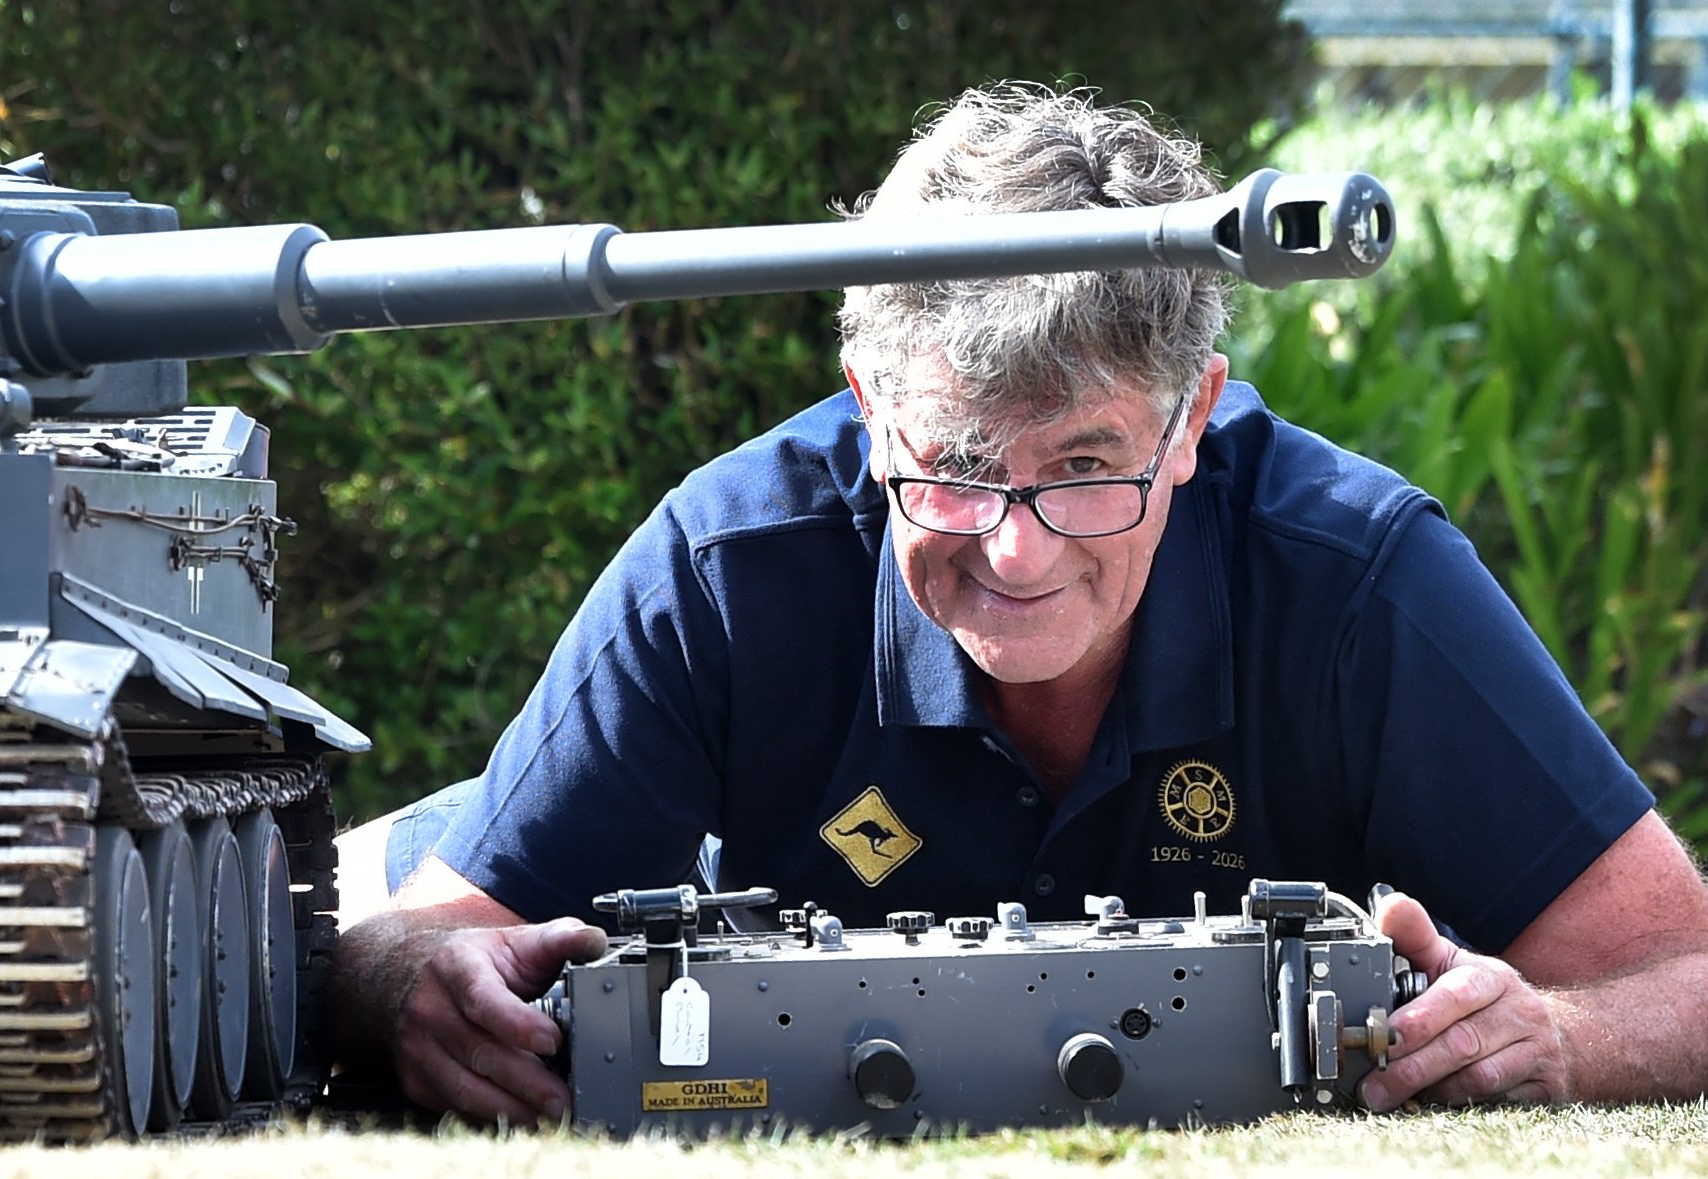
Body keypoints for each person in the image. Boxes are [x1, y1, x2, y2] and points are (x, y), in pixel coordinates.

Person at [326, 84, 1708, 1126]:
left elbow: (1682, 970)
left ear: (1193, 423)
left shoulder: (1356, 581)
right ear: (870, 412)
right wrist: (410, 990)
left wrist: (1565, 1042)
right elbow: (425, 934)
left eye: (1088, 469)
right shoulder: (729, 563)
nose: (1018, 550)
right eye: (959, 468)